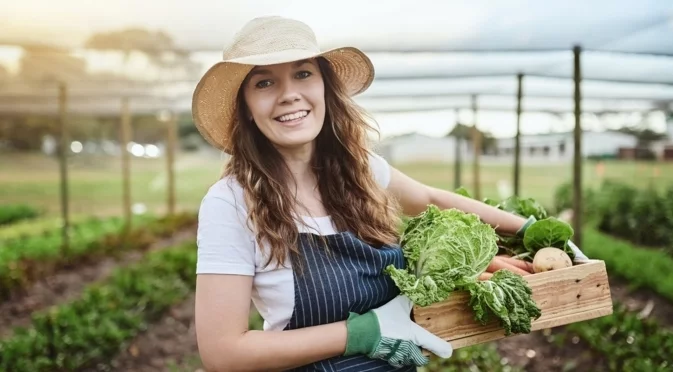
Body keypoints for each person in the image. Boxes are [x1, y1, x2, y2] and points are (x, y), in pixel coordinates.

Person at [191, 16, 588, 372]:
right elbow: (223, 353)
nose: (289, 93)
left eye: (303, 74)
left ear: (325, 87)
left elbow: (431, 199)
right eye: (264, 82)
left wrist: (532, 230)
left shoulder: (359, 171)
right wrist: (363, 333)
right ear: (245, 106)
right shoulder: (231, 203)